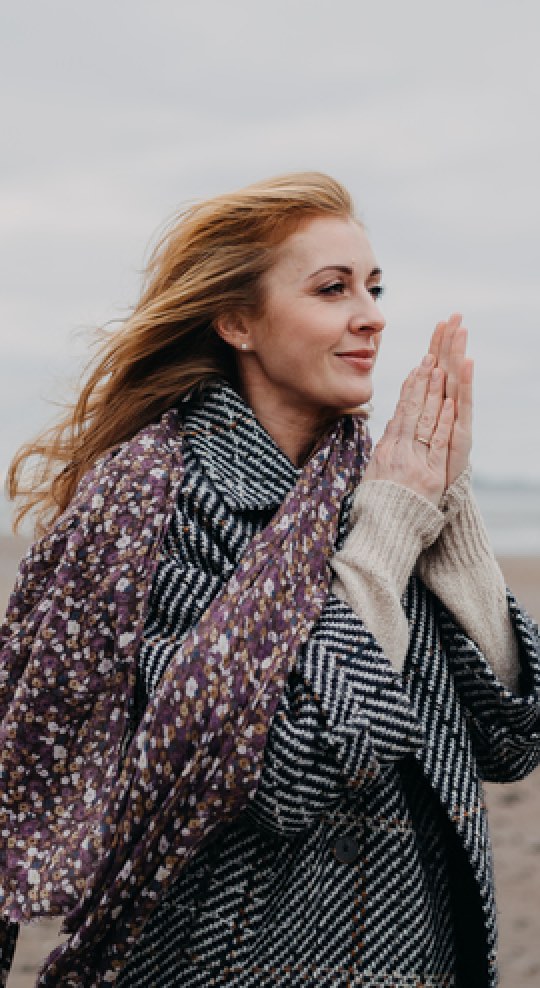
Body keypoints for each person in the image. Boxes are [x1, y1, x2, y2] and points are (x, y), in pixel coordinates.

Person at [0, 173, 539, 988]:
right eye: (332, 289)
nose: (372, 314)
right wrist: (387, 536)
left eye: (374, 286)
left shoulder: (375, 483)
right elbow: (287, 771)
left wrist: (449, 521)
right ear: (236, 321)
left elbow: (511, 740)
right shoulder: (157, 504)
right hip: (243, 962)